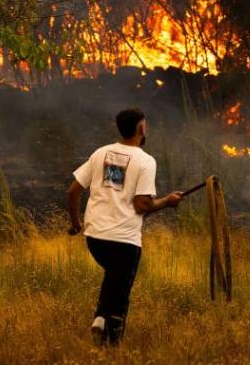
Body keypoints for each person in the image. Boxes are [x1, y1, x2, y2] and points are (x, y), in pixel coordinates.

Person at [66, 107, 183, 345]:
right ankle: (111, 345)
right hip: (124, 241)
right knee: (120, 293)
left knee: (113, 277)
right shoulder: (145, 161)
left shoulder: (101, 153)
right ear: (141, 129)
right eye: (145, 125)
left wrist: (76, 223)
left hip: (95, 238)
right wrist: (167, 202)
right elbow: (142, 205)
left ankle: (100, 318)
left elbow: (73, 191)